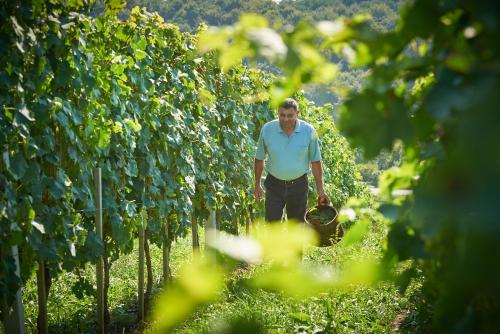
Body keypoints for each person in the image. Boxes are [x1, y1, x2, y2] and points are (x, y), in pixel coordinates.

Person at [254, 98, 330, 223]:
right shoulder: (267, 129)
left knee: (297, 226)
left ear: (297, 114)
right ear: (278, 113)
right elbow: (259, 158)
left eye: (290, 115)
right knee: (272, 226)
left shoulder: (309, 131)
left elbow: (316, 162)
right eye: (282, 115)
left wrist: (321, 191)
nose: (285, 119)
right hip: (274, 185)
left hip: (299, 186)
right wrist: (257, 185)